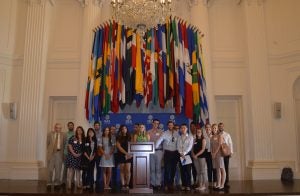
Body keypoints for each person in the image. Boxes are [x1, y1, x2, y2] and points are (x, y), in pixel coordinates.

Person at [155, 121, 179, 191]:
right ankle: (166, 184)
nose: (170, 126)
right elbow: (159, 140)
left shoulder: (177, 134)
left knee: (173, 170)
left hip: (175, 153)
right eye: (169, 125)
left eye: (171, 125)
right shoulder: (164, 133)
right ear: (167, 126)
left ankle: (171, 184)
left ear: (173, 126)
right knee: (167, 170)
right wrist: (155, 148)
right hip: (167, 153)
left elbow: (179, 143)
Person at [46, 123, 66, 189]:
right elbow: (47, 144)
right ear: (54, 128)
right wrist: (49, 152)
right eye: (57, 128)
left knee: (58, 169)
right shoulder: (50, 134)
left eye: (59, 128)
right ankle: (49, 183)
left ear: (61, 129)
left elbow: (64, 145)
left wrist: (63, 155)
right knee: (50, 169)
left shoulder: (64, 135)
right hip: (51, 154)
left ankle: (57, 183)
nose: (58, 129)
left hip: (59, 153)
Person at [177, 124, 194, 191]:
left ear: (187, 129)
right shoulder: (179, 137)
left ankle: (188, 185)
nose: (183, 129)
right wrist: (181, 153)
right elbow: (177, 146)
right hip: (181, 155)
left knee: (188, 171)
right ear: (180, 129)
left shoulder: (190, 137)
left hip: (187, 155)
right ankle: (183, 185)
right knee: (182, 171)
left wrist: (184, 153)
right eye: (182, 128)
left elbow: (190, 147)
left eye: (184, 128)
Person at [148, 119, 163, 190]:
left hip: (159, 151)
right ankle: (152, 183)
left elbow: (163, 143)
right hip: (150, 152)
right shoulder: (148, 132)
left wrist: (163, 153)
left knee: (158, 168)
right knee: (152, 168)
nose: (156, 125)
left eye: (157, 123)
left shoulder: (161, 132)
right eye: (155, 123)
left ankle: (158, 183)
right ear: (152, 123)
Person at [116, 125, 132, 190]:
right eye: (122, 129)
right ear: (121, 130)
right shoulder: (118, 137)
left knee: (128, 170)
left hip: (129, 155)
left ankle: (127, 184)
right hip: (121, 155)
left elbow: (132, 146)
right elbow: (119, 147)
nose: (124, 129)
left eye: (125, 128)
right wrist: (126, 153)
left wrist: (129, 154)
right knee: (122, 170)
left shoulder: (130, 137)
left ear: (127, 129)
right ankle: (123, 184)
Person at [211, 124, 226, 191]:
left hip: (219, 154)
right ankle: (218, 183)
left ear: (217, 129)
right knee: (217, 169)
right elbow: (211, 146)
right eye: (213, 128)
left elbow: (219, 145)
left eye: (215, 128)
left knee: (222, 169)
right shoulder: (212, 137)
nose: (214, 129)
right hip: (214, 155)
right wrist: (212, 153)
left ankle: (222, 184)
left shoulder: (219, 135)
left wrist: (214, 153)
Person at [218, 122, 233, 189]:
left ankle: (226, 182)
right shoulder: (216, 134)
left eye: (222, 126)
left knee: (226, 167)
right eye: (219, 126)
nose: (220, 127)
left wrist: (231, 152)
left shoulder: (227, 135)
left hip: (226, 153)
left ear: (223, 127)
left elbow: (230, 143)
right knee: (219, 168)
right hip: (218, 153)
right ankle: (220, 182)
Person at [62, 122, 74, 187]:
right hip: (66, 153)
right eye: (69, 125)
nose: (70, 126)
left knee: (72, 168)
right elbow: (63, 144)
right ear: (68, 126)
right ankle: (63, 181)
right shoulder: (65, 134)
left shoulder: (75, 134)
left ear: (73, 126)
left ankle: (71, 181)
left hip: (73, 154)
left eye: (72, 125)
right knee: (65, 168)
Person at [204, 123, 217, 188]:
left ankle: (215, 181)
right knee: (209, 168)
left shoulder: (214, 135)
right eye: (206, 127)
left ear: (211, 128)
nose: (208, 128)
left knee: (214, 167)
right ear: (205, 128)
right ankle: (209, 182)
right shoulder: (203, 136)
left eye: (209, 127)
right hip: (207, 153)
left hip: (214, 153)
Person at [94, 121, 102, 187]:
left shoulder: (102, 134)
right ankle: (91, 180)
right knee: (90, 167)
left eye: (97, 125)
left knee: (98, 168)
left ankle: (98, 180)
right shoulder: (91, 133)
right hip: (91, 152)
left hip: (99, 152)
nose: (96, 126)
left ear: (99, 126)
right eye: (95, 125)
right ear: (94, 126)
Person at [189, 121, 198, 187]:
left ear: (195, 127)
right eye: (191, 127)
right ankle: (193, 182)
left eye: (193, 126)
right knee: (191, 169)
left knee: (197, 169)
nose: (192, 128)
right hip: (189, 155)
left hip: (197, 155)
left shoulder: (198, 135)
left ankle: (198, 182)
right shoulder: (188, 135)